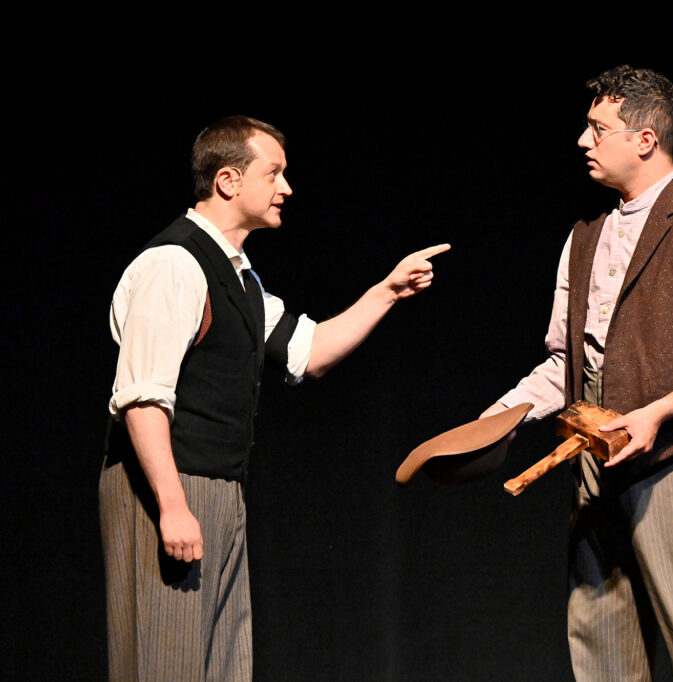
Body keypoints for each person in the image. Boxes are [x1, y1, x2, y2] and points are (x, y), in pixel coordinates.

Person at [100, 115, 449, 681]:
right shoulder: (174, 264)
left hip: (218, 489)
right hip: (170, 485)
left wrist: (386, 292)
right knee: (165, 665)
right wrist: (171, 505)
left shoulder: (238, 275)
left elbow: (310, 351)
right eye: (274, 173)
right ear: (229, 180)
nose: (287, 188)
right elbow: (142, 398)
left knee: (224, 664)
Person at [482, 66, 673, 681]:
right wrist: (499, 419)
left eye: (597, 128)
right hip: (597, 468)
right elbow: (566, 361)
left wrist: (657, 412)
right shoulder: (586, 232)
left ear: (644, 139)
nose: (583, 141)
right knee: (603, 653)